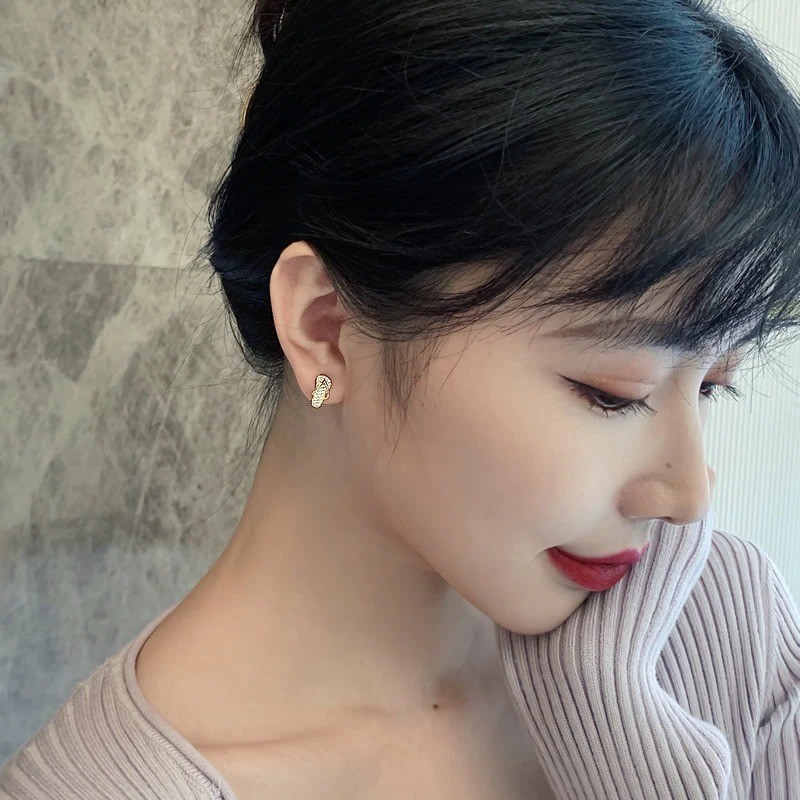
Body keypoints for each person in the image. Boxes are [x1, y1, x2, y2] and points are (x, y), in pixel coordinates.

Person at [3, 0, 800, 797]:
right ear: (324, 328)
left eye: (713, 387)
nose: (688, 497)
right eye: (613, 394)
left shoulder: (723, 623)